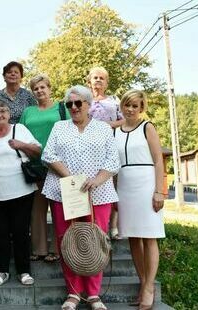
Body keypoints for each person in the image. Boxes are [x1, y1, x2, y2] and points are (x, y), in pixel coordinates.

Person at [42, 85, 120, 310]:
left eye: (78, 103)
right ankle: (74, 292)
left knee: (95, 240)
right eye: (70, 104)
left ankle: (94, 294)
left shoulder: (103, 129)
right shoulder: (59, 127)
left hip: (99, 193)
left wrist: (96, 180)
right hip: (64, 192)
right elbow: (48, 154)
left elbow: (112, 162)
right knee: (67, 240)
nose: (74, 108)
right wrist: (71, 178)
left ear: (88, 105)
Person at [0, 99, 41, 287]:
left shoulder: (19, 129)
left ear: (8, 113)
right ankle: (2, 270)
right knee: (0, 233)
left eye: (3, 111)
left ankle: (24, 271)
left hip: (21, 191)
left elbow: (38, 152)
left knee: (21, 231)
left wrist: (21, 145)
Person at [114, 90, 165, 310]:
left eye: (135, 106)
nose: (131, 109)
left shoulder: (147, 127)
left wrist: (159, 191)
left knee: (150, 236)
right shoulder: (115, 131)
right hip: (124, 184)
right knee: (133, 237)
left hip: (146, 184)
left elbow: (158, 160)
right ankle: (142, 281)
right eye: (127, 105)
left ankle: (149, 287)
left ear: (141, 108)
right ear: (122, 107)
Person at [19, 74, 69, 263]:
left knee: (58, 208)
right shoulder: (28, 112)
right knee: (37, 209)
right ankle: (39, 249)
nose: (40, 91)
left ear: (49, 88)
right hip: (36, 164)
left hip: (59, 164)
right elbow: (22, 134)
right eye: (36, 89)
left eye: (42, 87)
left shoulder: (61, 108)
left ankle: (58, 248)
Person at [87, 66, 124, 240]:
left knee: (113, 185)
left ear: (107, 82)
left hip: (111, 145)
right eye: (95, 77)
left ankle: (113, 226)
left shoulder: (114, 101)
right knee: (93, 183)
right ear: (90, 81)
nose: (98, 80)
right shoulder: (84, 100)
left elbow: (124, 120)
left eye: (102, 78)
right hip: (89, 148)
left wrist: (107, 126)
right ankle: (94, 225)